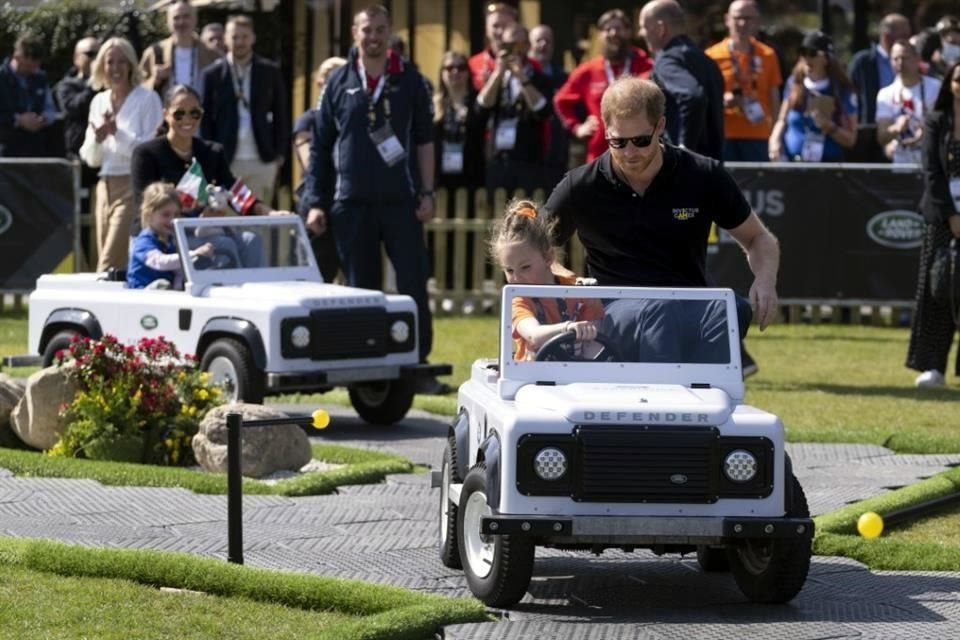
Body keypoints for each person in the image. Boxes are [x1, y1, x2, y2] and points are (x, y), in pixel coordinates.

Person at [541, 77, 780, 376]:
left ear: (660, 126)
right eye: (618, 142)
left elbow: (759, 238)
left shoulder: (702, 175)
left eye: (641, 140)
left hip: (690, 303)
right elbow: (534, 250)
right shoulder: (581, 185)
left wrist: (766, 279)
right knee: (660, 308)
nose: (630, 152)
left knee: (731, 309)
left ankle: (708, 406)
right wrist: (570, 283)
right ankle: (665, 402)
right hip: (614, 311)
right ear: (605, 131)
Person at [302, 5, 448, 395]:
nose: (374, 37)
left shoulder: (410, 80)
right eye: (367, 30)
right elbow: (320, 148)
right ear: (355, 32)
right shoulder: (337, 82)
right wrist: (316, 200)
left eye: (381, 30)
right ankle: (364, 372)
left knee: (413, 281)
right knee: (360, 288)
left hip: (401, 201)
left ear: (389, 32)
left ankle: (418, 366)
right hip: (350, 204)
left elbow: (424, 141)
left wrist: (428, 193)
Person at [130, 84, 289, 266]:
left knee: (252, 241)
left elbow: (234, 191)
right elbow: (144, 207)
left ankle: (258, 291)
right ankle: (233, 293)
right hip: (163, 237)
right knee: (224, 245)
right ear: (165, 114)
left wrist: (270, 213)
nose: (187, 119)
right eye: (179, 113)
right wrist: (188, 213)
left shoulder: (212, 151)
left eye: (194, 113)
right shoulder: (147, 153)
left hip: (205, 231)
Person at [79, 37, 164, 273]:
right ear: (102, 67)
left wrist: (118, 133)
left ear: (131, 65)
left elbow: (151, 151)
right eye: (110, 62)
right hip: (104, 187)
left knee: (108, 262)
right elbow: (91, 157)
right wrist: (97, 138)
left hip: (133, 186)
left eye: (121, 62)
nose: (115, 68)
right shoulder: (98, 101)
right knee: (109, 261)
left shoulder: (148, 99)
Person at [490, 199, 604, 361]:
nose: (516, 279)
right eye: (509, 270)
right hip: (531, 380)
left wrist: (592, 300)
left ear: (548, 257)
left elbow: (596, 340)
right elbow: (533, 335)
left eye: (525, 267)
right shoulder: (518, 301)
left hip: (577, 376)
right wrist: (568, 328)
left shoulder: (575, 290)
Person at [906, 61, 960, 388]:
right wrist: (952, 216)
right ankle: (933, 367)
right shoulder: (937, 121)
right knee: (938, 291)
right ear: (950, 84)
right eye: (958, 79)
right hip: (942, 219)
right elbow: (931, 173)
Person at [200, 14, 288, 207]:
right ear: (225, 39)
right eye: (235, 37)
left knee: (260, 221)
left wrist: (279, 155)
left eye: (244, 36)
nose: (240, 42)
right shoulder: (211, 75)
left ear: (253, 38)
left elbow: (282, 114)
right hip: (226, 160)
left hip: (262, 160)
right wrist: (209, 157)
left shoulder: (270, 71)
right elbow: (204, 120)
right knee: (226, 222)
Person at [554, 9, 653, 164]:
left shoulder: (644, 65)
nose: (614, 33)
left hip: (639, 154)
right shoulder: (587, 71)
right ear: (600, 35)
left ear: (628, 32)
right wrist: (577, 128)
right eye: (608, 29)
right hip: (599, 156)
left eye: (619, 28)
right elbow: (560, 100)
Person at [639, 0, 725, 161]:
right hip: (713, 167)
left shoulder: (666, 61)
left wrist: (684, 149)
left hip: (683, 172)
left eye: (644, 27)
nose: (641, 33)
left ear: (660, 28)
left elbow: (693, 96)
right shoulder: (708, 62)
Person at [477, 22, 552, 192]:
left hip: (529, 161)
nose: (514, 50)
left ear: (527, 46)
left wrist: (521, 76)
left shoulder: (540, 79)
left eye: (518, 45)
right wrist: (497, 74)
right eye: (508, 45)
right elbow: (481, 108)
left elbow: (542, 111)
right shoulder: (495, 78)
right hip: (499, 161)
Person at [705, 0, 783, 162]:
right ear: (727, 20)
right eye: (737, 18)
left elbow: (774, 97)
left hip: (759, 135)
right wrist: (722, 100)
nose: (742, 23)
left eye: (748, 18)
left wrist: (775, 134)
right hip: (724, 135)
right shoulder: (712, 55)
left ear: (757, 21)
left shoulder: (768, 55)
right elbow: (704, 97)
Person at [293, 56, 347, 283]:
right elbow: (310, 162)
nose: (333, 80)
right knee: (317, 267)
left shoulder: (350, 118)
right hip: (317, 198)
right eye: (328, 75)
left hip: (345, 197)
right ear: (318, 82)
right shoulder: (308, 120)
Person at [769, 31, 857, 162]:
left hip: (828, 167)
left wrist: (829, 126)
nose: (807, 59)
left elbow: (851, 139)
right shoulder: (794, 83)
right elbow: (782, 119)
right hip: (794, 164)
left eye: (813, 54)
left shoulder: (841, 90)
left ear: (826, 58)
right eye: (803, 53)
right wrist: (774, 140)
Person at [127, 181, 214, 289]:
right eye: (166, 215)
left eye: (176, 214)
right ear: (149, 215)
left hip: (165, 295)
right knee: (162, 284)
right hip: (142, 293)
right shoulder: (144, 241)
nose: (172, 220)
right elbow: (160, 262)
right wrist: (193, 254)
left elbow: (178, 271)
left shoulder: (169, 242)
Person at [876, 40, 941, 165]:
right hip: (901, 162)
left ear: (917, 59)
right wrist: (896, 128)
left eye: (905, 58)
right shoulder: (885, 94)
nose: (900, 63)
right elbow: (882, 137)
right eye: (895, 59)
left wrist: (926, 130)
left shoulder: (935, 87)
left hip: (931, 160)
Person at [140, 0, 220, 95]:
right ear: (168, 22)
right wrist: (154, 79)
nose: (181, 22)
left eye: (186, 16)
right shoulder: (154, 52)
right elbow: (137, 89)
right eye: (176, 18)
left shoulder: (212, 54)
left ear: (195, 19)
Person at [0, 33, 59, 158]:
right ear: (17, 57)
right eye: (29, 65)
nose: (33, 69)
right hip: (5, 151)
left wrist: (43, 119)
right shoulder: (2, 77)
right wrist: (18, 120)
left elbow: (50, 108)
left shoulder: (40, 78)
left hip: (34, 150)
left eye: (36, 65)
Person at [433, 51, 485, 192]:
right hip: (440, 179)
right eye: (449, 68)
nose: (455, 72)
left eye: (461, 67)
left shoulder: (477, 102)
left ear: (468, 73)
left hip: (472, 177)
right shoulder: (433, 104)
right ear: (442, 73)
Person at [848, 13, 911, 126]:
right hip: (871, 128)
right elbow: (850, 97)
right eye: (904, 36)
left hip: (905, 127)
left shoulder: (912, 59)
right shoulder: (863, 62)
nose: (908, 40)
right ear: (886, 36)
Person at [530, 24, 571, 186]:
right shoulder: (521, 76)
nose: (543, 45)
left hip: (556, 152)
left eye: (548, 41)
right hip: (528, 155)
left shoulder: (563, 78)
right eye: (539, 40)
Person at [56, 36, 101, 160]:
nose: (96, 58)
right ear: (76, 58)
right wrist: (94, 83)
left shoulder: (110, 84)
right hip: (79, 153)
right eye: (90, 54)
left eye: (99, 54)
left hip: (106, 152)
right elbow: (73, 108)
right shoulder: (67, 85)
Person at [468, 3, 519, 92]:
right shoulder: (472, 65)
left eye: (505, 26)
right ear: (487, 30)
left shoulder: (529, 65)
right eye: (495, 26)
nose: (500, 31)